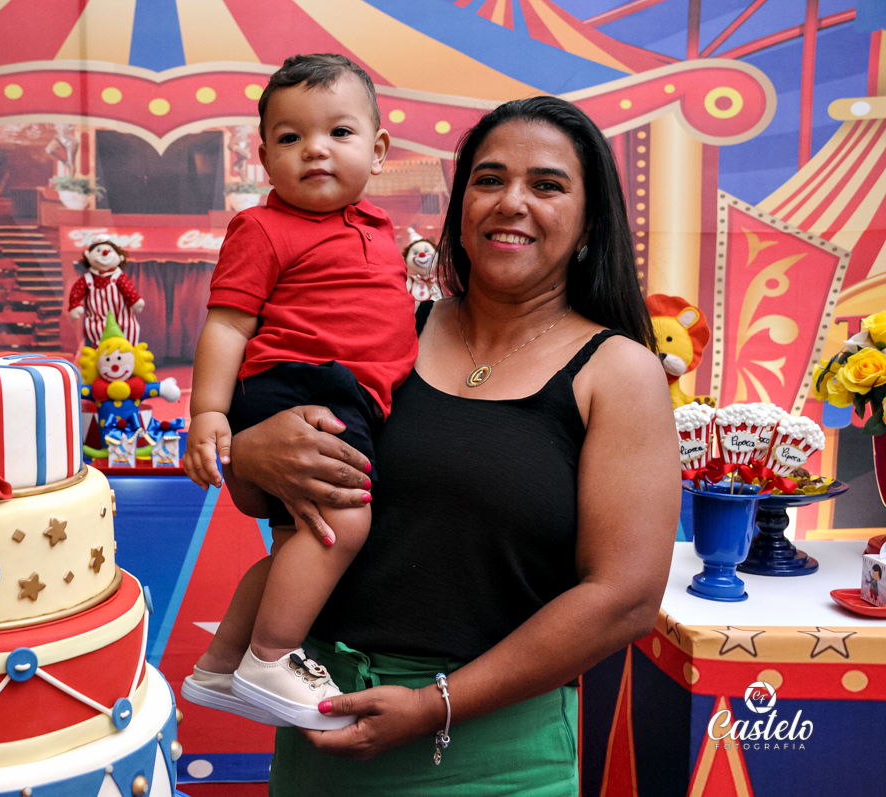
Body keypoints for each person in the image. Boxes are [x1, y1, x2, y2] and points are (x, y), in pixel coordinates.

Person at [222, 96, 680, 794]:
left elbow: (624, 597)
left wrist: (434, 705)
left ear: (589, 224)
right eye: (489, 180)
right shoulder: (384, 331)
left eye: (547, 185)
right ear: (461, 208)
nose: (511, 202)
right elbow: (269, 496)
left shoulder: (619, 372)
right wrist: (249, 453)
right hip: (320, 732)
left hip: (494, 756)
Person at [181, 54, 417, 730]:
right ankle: (271, 656)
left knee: (299, 543)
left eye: (338, 132)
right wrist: (209, 411)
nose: (315, 148)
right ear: (264, 158)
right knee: (345, 522)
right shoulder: (261, 228)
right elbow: (228, 325)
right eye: (291, 137)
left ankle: (222, 664)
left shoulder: (378, 228)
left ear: (378, 152)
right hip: (304, 384)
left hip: (350, 395)